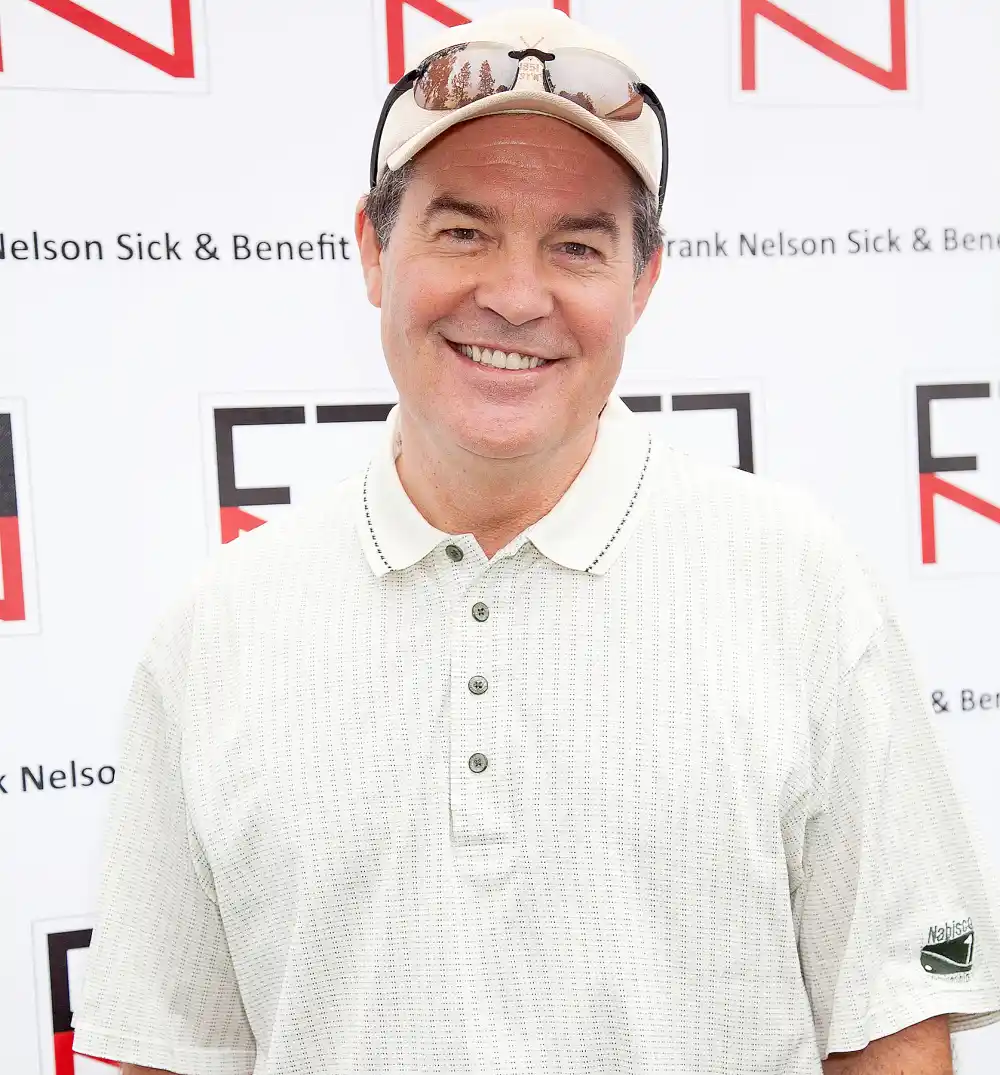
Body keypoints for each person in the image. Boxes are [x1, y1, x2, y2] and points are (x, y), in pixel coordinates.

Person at [71, 7, 1000, 1075]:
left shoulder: (794, 579)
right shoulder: (216, 629)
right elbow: (163, 1053)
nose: (515, 296)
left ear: (641, 284)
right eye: (462, 231)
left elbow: (890, 1030)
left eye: (575, 245)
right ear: (372, 251)